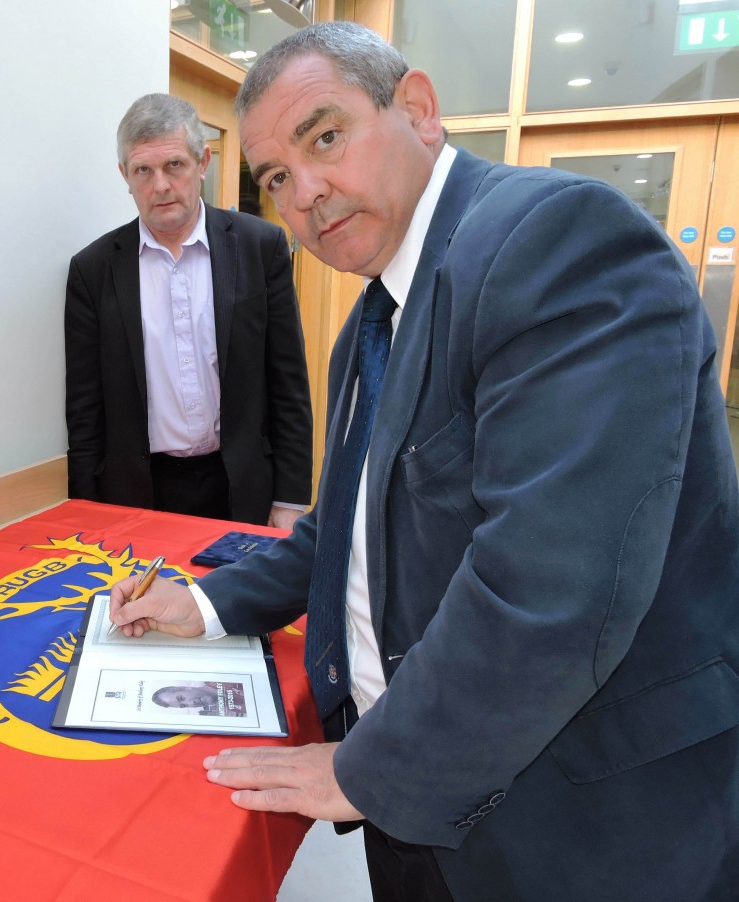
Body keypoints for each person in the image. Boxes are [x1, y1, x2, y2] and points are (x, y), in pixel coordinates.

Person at [108, 22, 739, 902]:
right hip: (413, 814)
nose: (306, 193)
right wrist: (207, 601)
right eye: (278, 179)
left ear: (419, 110)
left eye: (324, 137)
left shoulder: (554, 243)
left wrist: (372, 769)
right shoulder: (371, 322)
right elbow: (344, 531)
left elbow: (550, 587)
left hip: (574, 824)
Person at [65, 93, 313, 527]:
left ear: (203, 162)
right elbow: (85, 411)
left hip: (242, 487)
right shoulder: (93, 270)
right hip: (137, 494)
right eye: (143, 170)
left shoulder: (260, 248)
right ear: (125, 175)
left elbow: (288, 384)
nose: (159, 185)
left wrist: (290, 500)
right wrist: (87, 512)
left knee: (235, 597)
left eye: (174, 165)